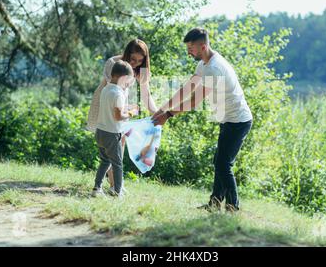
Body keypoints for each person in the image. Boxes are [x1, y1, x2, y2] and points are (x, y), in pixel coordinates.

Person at [152, 27, 253, 212]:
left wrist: (167, 115)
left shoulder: (214, 68)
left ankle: (232, 207)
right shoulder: (204, 64)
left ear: (203, 46)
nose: (188, 52)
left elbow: (193, 101)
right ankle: (215, 203)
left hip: (238, 121)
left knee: (223, 164)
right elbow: (187, 88)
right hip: (228, 119)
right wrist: (163, 108)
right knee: (220, 162)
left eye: (191, 48)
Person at [87, 39, 158, 192]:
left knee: (121, 144)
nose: (135, 63)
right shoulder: (114, 63)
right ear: (127, 54)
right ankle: (114, 184)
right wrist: (125, 111)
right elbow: (110, 91)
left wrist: (156, 112)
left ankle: (114, 184)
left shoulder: (142, 69)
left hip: (122, 103)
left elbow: (146, 95)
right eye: (133, 59)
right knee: (112, 144)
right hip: (107, 102)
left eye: (140, 61)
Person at [92, 61, 138, 197]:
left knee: (104, 161)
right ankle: (118, 192)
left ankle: (96, 188)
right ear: (123, 78)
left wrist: (127, 108)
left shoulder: (106, 89)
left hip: (100, 131)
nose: (128, 84)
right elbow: (118, 116)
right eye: (128, 80)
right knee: (117, 164)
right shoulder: (118, 93)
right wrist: (131, 113)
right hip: (112, 134)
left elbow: (111, 109)